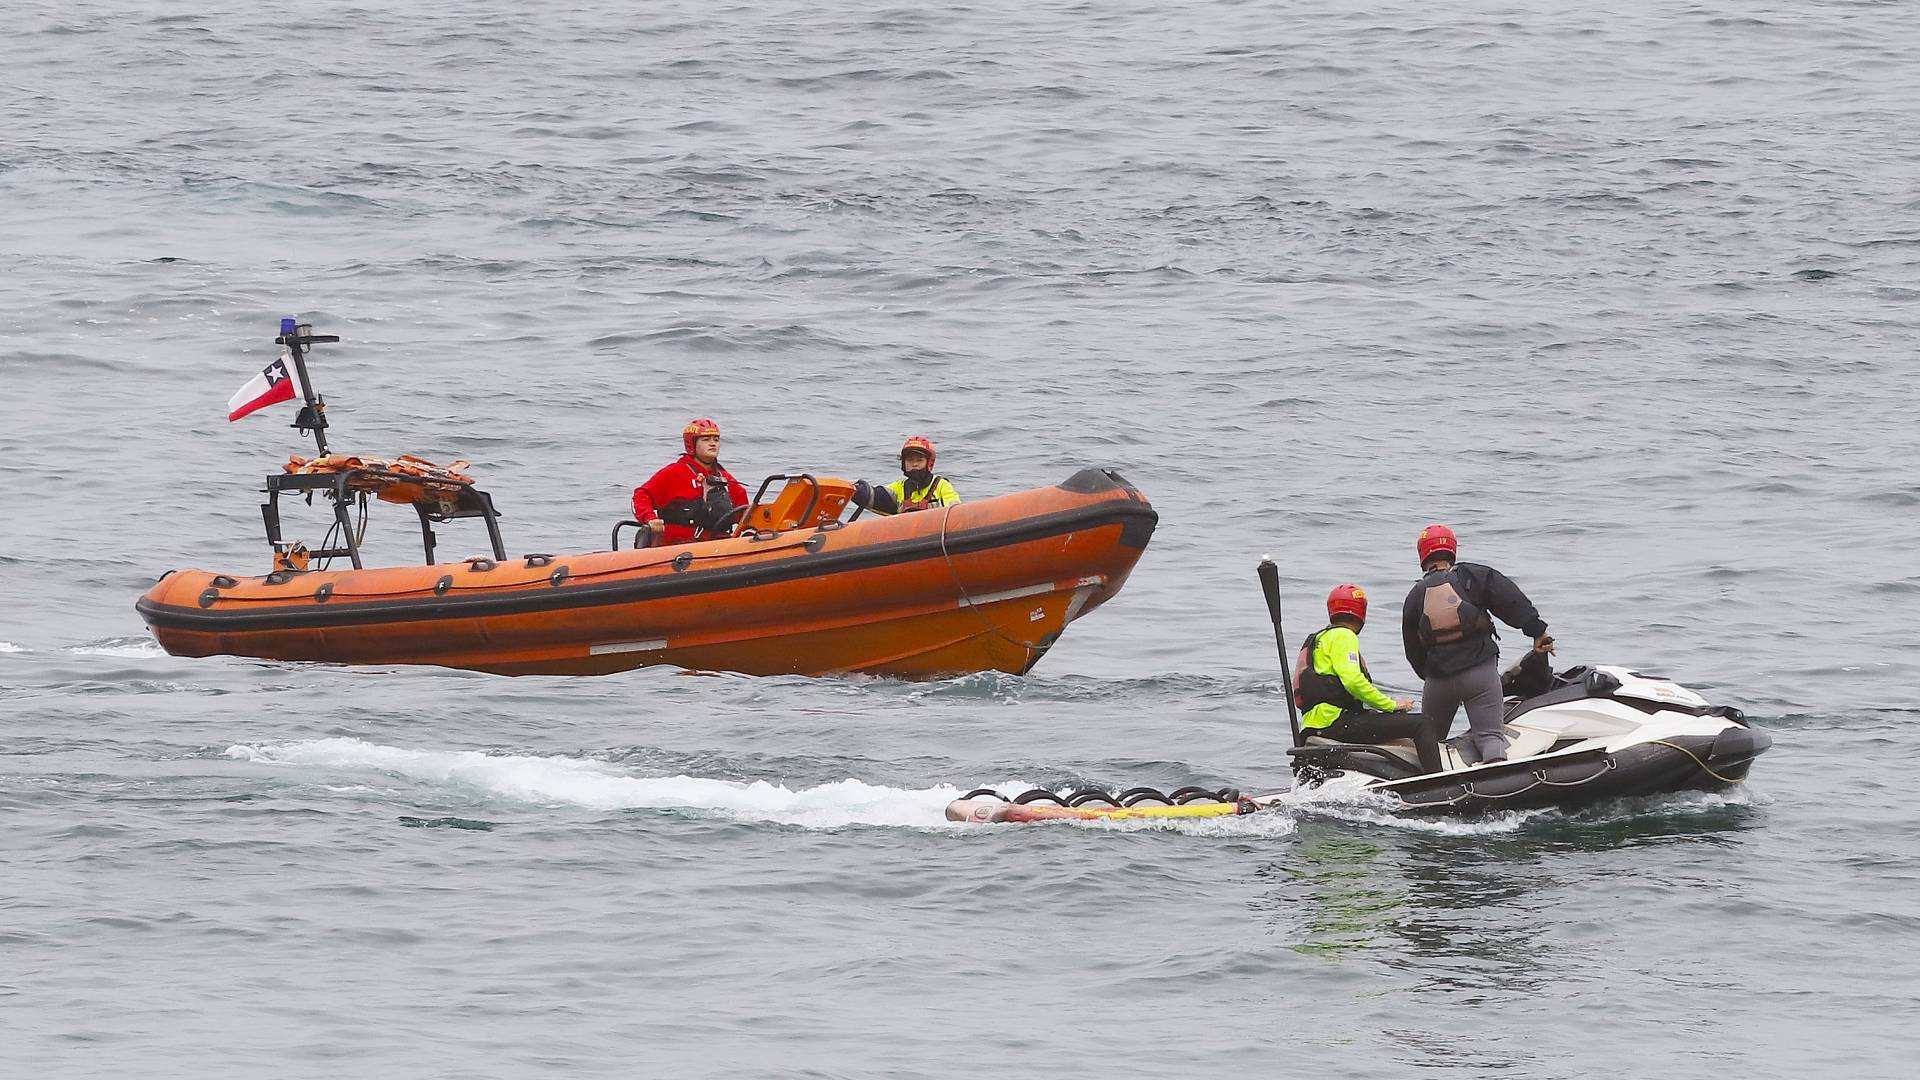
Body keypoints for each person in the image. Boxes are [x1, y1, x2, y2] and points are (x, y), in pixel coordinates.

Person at [1401, 524, 1552, 764]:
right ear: (1451, 550)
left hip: (1438, 681)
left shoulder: (1415, 595)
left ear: (1422, 555)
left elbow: (1413, 649)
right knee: (1490, 737)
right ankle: (1499, 784)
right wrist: (1537, 631)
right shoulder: (1473, 576)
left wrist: (1430, 675)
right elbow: (1510, 600)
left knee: (1430, 742)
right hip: (1479, 673)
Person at [1295, 584, 1443, 775]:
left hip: (1314, 724)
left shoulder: (1320, 639)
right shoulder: (1344, 635)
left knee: (1387, 721)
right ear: (1360, 612)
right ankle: (1438, 780)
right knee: (1423, 723)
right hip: (1336, 722)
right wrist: (1391, 705)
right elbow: (1353, 681)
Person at [630, 418, 749, 546]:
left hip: (718, 546)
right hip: (677, 548)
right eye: (706, 440)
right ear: (692, 444)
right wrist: (650, 518)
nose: (712, 443)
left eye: (716, 439)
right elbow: (640, 496)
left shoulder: (725, 479)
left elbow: (745, 513)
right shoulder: (674, 473)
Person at [849, 435, 960, 515]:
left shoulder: (941, 486)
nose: (914, 464)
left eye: (919, 460)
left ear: (929, 463)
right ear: (903, 463)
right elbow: (876, 496)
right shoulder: (899, 488)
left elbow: (954, 512)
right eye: (910, 460)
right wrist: (853, 490)